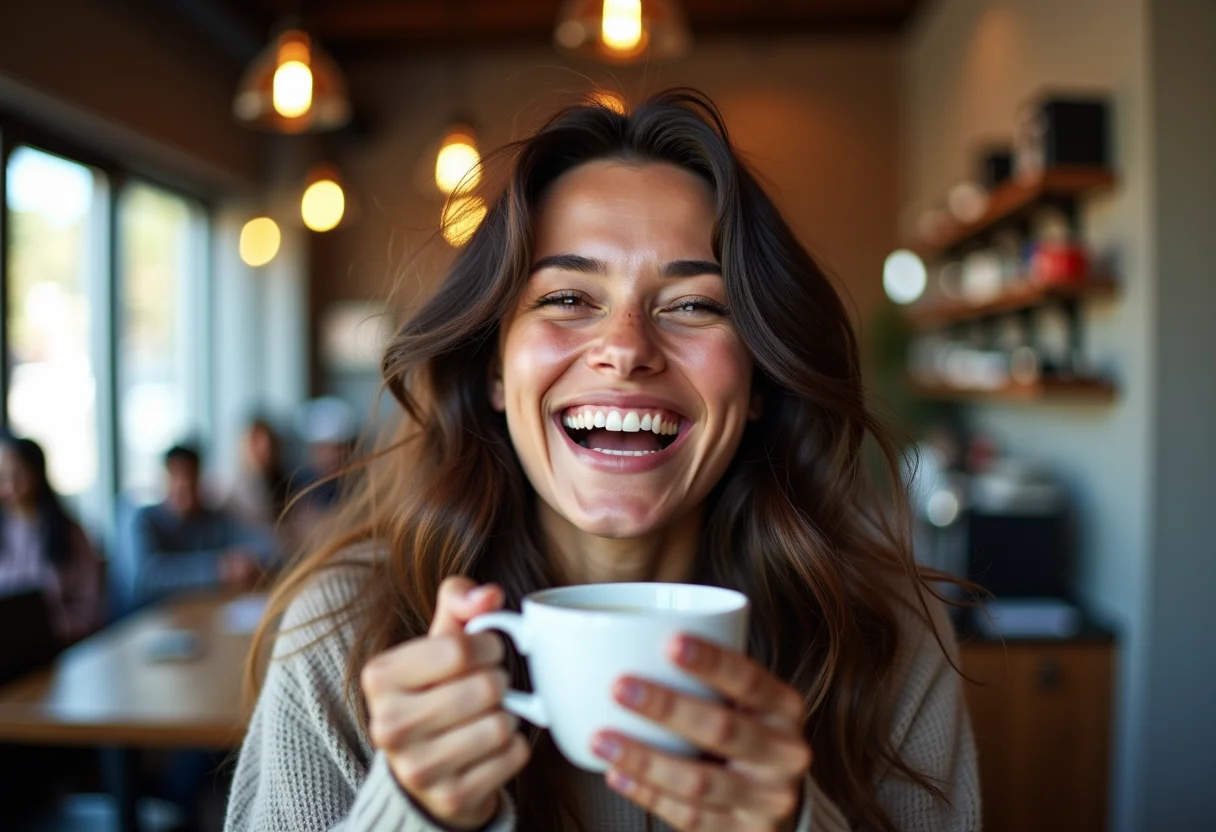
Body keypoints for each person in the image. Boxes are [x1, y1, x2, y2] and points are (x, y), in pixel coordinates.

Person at [226, 90, 980, 832]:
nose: (625, 348)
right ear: (494, 370)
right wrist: (411, 815)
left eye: (694, 305)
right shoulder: (344, 632)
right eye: (567, 299)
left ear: (757, 382)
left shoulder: (887, 638)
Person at [130, 443, 274, 606]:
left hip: (201, 609)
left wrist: (246, 560)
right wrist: (218, 568)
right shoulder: (144, 519)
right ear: (163, 479)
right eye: (176, 476)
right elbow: (147, 576)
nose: (183, 483)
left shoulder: (212, 519)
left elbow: (264, 543)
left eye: (190, 475)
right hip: (151, 614)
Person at [0, 437, 102, 643]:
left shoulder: (69, 533)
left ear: (36, 473)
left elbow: (91, 607)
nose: (9, 485)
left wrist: (50, 630)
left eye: (17, 474)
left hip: (58, 644)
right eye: (2, 476)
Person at [225, 417, 292, 535]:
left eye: (269, 443)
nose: (264, 449)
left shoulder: (286, 485)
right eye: (257, 443)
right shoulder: (234, 495)